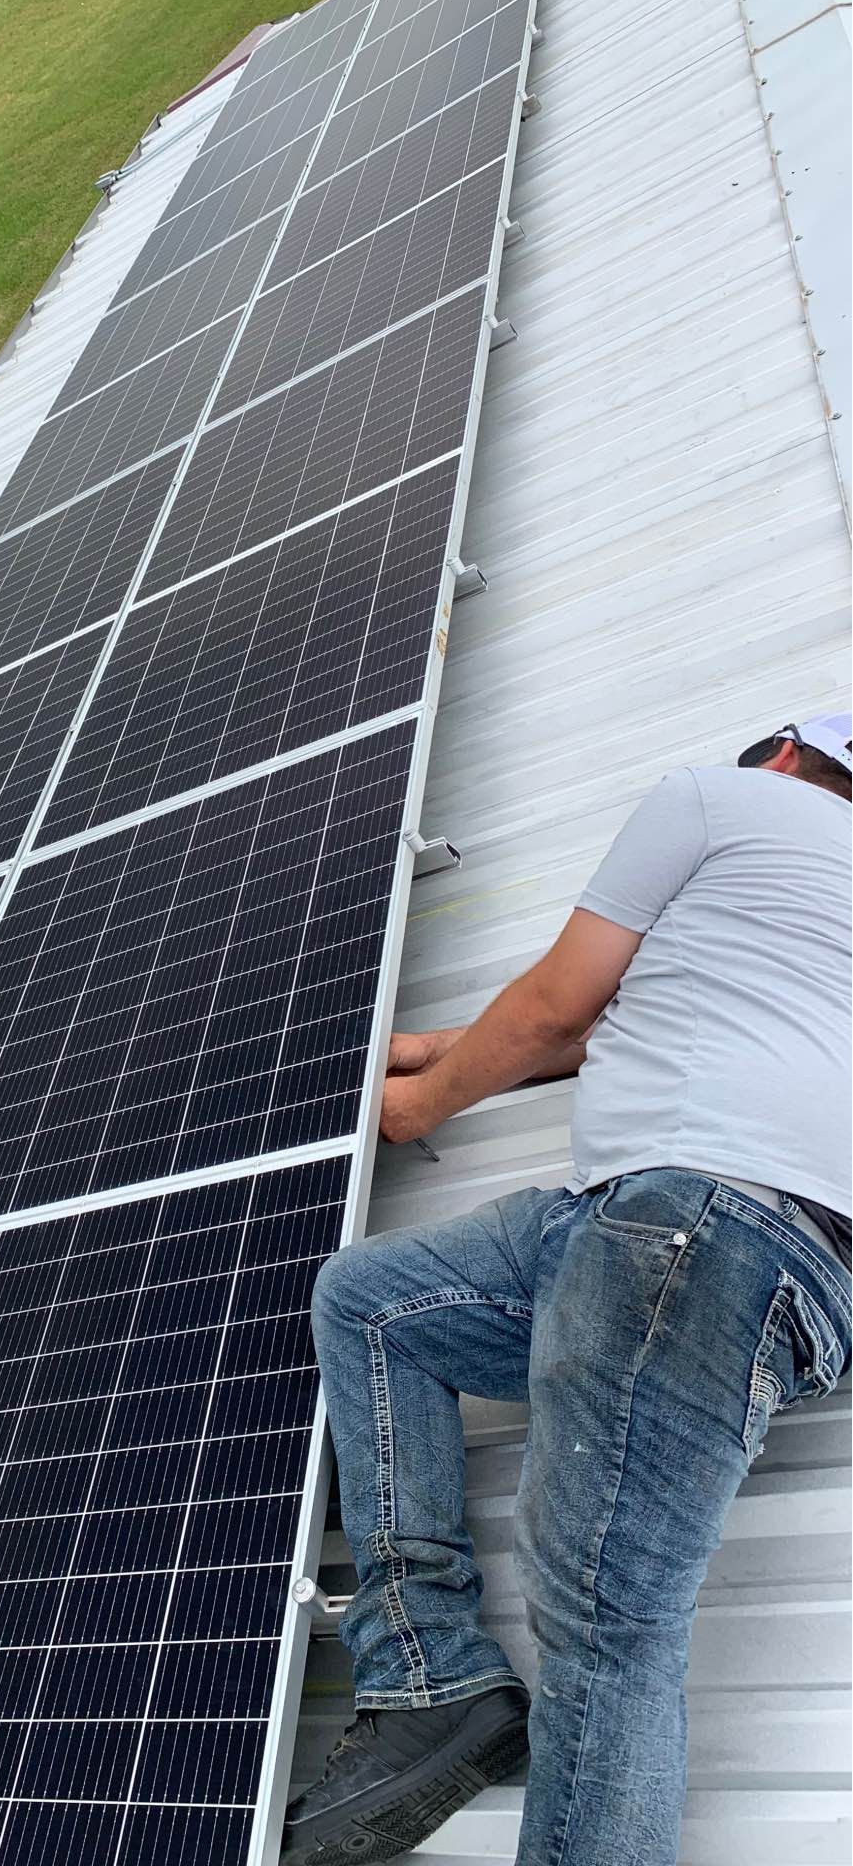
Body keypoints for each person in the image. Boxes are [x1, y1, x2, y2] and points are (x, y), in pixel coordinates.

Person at [283, 714, 853, 1866]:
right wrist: (432, 1046)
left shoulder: (717, 798)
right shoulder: (807, 932)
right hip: (755, 1262)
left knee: (609, 1629)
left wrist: (414, 1109)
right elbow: (610, 1021)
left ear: (785, 755)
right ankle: (427, 1668)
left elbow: (558, 999)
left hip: (691, 1224)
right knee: (373, 1297)